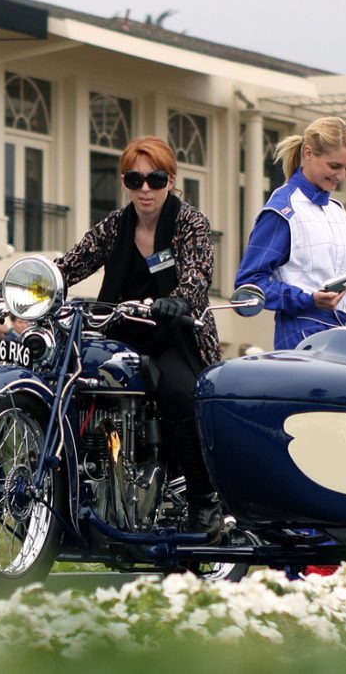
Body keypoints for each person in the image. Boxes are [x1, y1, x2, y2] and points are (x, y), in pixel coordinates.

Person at [53, 135, 223, 537]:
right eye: (135, 179)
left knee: (180, 393)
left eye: (156, 179)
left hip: (174, 335)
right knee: (66, 378)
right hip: (118, 333)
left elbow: (198, 273)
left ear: (172, 180)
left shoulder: (190, 223)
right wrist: (11, 292)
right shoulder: (114, 226)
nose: (145, 189)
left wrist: (178, 300)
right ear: (125, 183)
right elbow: (67, 267)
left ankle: (204, 501)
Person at [234, 117, 346, 350]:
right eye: (334, 166)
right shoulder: (282, 210)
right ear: (308, 153)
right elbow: (250, 285)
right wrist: (309, 300)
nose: (341, 176)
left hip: (340, 337)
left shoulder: (342, 217)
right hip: (299, 336)